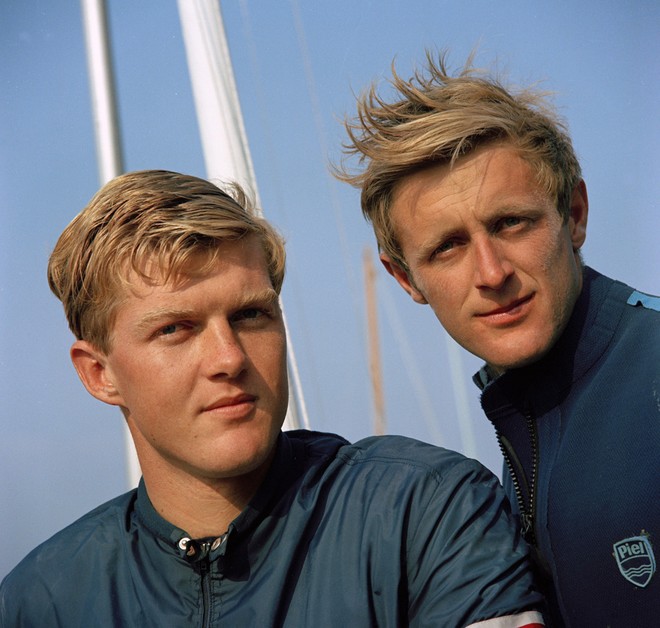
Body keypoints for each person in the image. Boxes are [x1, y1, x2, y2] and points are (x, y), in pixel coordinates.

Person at [0, 170, 545, 627]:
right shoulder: (40, 602)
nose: (229, 358)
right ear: (99, 374)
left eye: (251, 315)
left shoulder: (422, 513)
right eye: (175, 329)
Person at [335, 52, 660, 626]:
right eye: (448, 248)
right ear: (406, 278)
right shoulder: (527, 422)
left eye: (511, 223)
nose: (490, 273)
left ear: (575, 213)